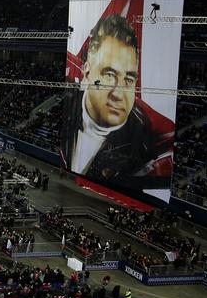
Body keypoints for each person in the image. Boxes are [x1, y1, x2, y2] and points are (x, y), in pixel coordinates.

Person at [61, 12, 174, 189]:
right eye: (109, 75)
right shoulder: (67, 106)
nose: (119, 94)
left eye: (129, 79)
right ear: (87, 71)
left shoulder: (150, 141)